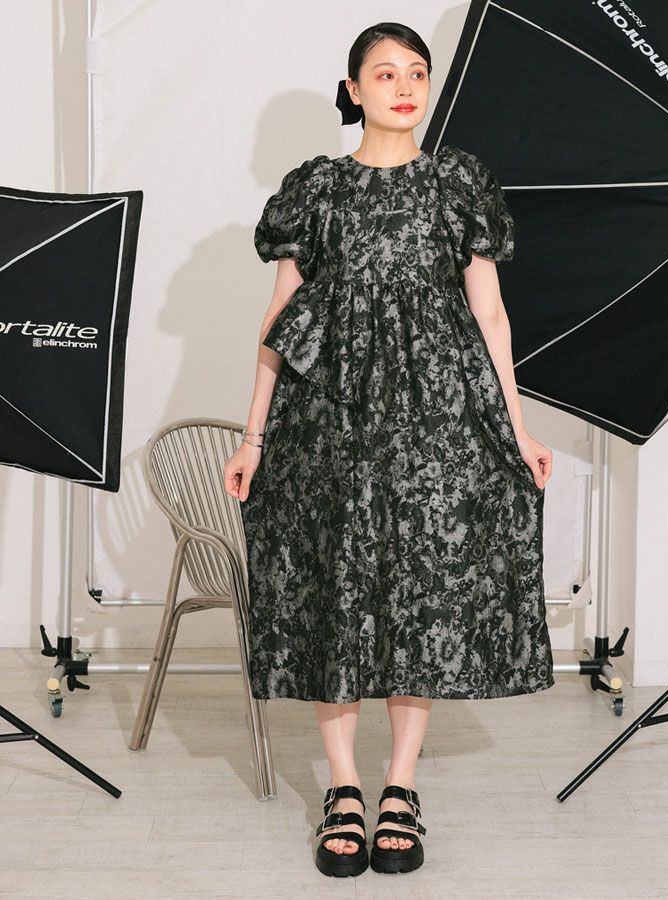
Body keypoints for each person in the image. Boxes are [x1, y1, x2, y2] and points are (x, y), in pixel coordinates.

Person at [224, 21, 554, 878]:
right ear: (354, 89)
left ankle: (400, 786)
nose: (404, 87)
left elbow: (490, 314)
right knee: (333, 592)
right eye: (384, 73)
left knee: (422, 597)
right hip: (327, 422)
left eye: (416, 72)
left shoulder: (457, 184)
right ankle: (343, 787)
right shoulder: (316, 189)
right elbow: (280, 320)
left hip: (437, 421)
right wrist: (253, 435)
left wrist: (517, 427)